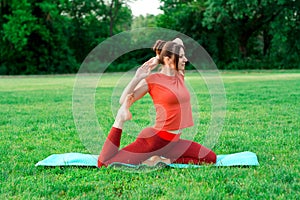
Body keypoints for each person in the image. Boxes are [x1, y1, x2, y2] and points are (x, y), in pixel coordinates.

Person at [98, 38, 216, 167]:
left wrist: (158, 56)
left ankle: (162, 160)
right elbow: (123, 100)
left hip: (173, 142)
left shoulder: (179, 75)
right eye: (181, 57)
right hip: (154, 141)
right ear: (168, 59)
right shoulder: (152, 80)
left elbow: (179, 41)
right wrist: (137, 77)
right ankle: (119, 120)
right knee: (105, 163)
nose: (185, 60)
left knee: (210, 158)